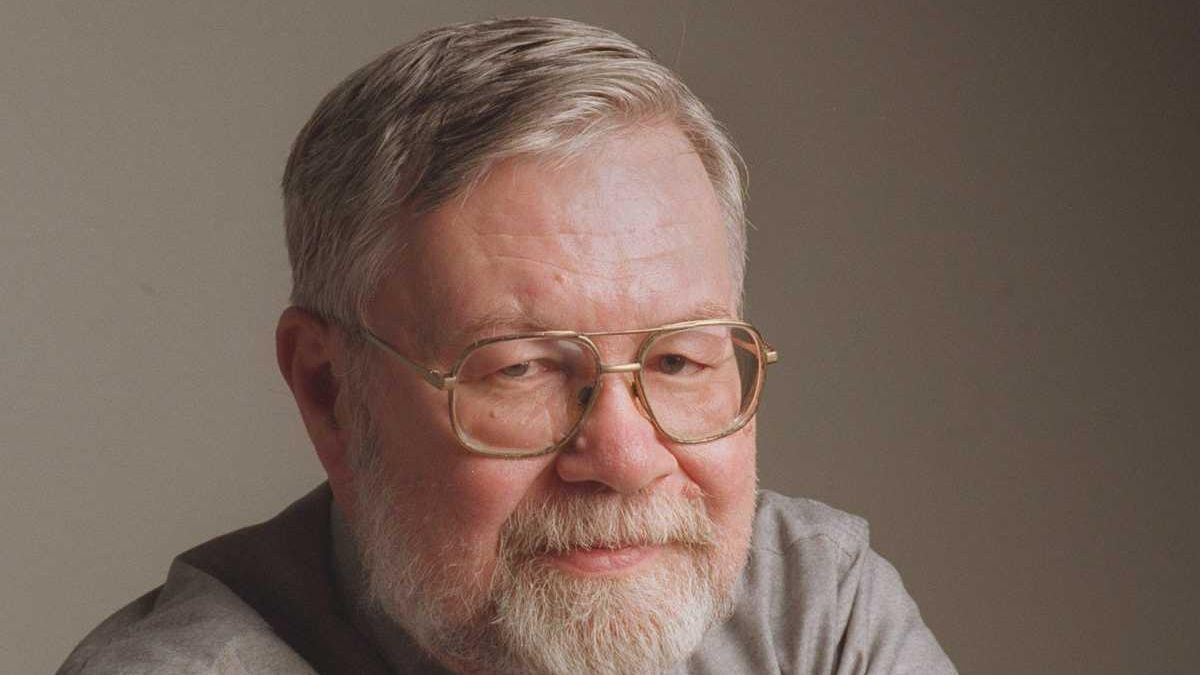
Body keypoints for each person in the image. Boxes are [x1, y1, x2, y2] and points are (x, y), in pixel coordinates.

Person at [58, 17, 956, 675]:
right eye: (520, 368)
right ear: (330, 391)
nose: (625, 459)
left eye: (678, 360)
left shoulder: (814, 613)